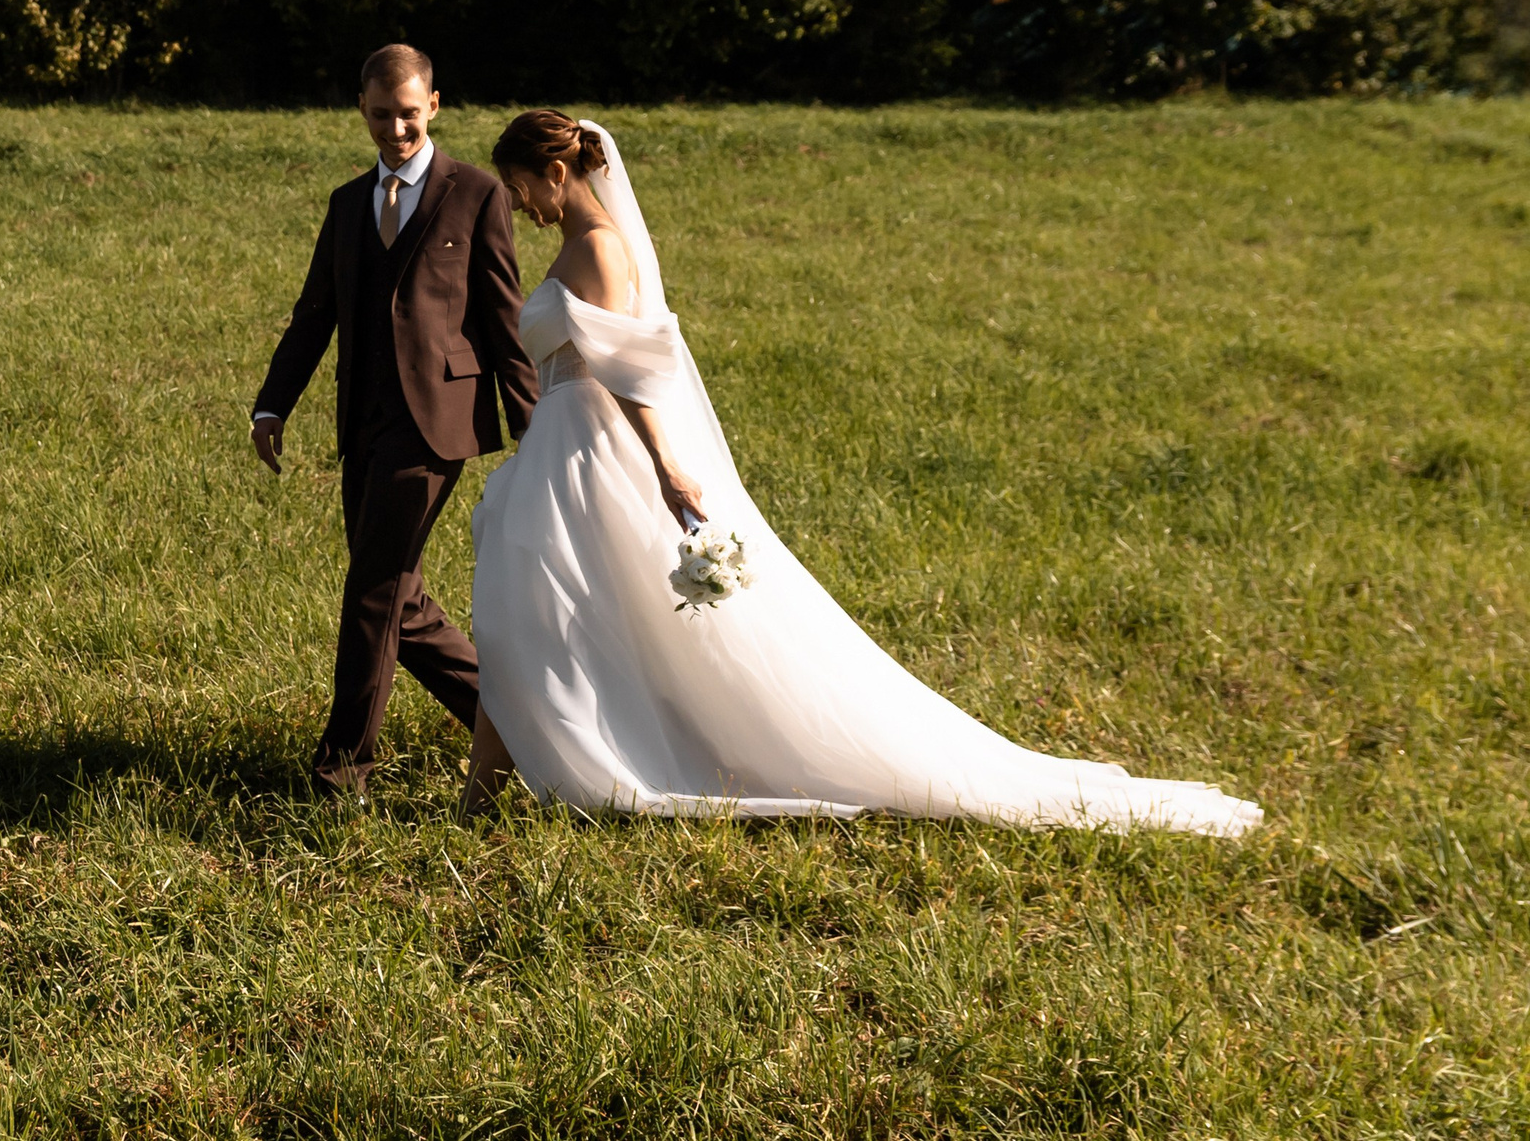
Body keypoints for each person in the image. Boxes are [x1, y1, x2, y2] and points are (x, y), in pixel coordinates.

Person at [461, 109, 1262, 836]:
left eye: (522, 185)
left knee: (528, 615)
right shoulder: (582, 244)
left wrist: (669, 467)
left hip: (594, 454)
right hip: (560, 452)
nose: (520, 203)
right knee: (514, 616)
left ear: (556, 173)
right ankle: (484, 796)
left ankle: (558, 774)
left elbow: (630, 372)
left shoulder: (598, 249)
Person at [251, 45, 540, 799]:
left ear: (434, 106)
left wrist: (532, 424)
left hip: (438, 423)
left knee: (374, 590)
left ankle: (340, 773)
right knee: (400, 601)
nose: (396, 128)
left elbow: (505, 320)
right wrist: (273, 401)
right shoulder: (348, 203)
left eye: (409, 113)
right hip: (365, 423)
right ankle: (519, 724)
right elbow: (315, 313)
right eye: (381, 114)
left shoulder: (476, 194)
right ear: (362, 110)